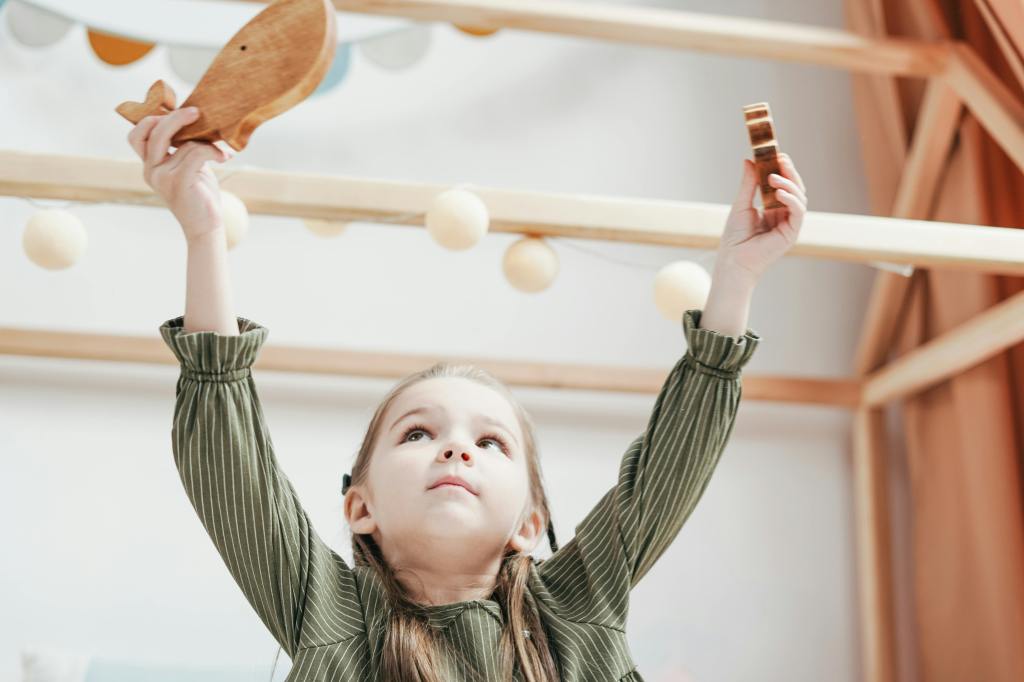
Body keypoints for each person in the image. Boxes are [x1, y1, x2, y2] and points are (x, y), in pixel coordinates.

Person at [127, 107, 806, 681]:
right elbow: (227, 450)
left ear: (528, 526)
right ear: (360, 506)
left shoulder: (573, 610)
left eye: (490, 442)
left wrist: (737, 277)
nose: (455, 448)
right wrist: (204, 231)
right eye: (418, 434)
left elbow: (667, 470)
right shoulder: (326, 611)